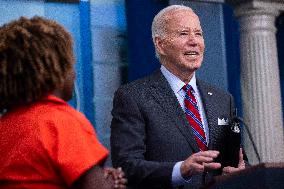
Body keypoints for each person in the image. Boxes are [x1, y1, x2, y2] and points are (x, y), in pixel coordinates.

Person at [110, 5, 247, 189]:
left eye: (198, 34)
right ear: (161, 44)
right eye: (184, 33)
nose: (194, 41)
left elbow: (237, 159)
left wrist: (242, 172)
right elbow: (127, 166)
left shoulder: (223, 99)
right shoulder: (133, 97)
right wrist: (180, 170)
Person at [0, 16, 127, 189]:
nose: (74, 74)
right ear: (55, 71)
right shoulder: (63, 122)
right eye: (70, 65)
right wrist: (111, 184)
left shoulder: (4, 126)